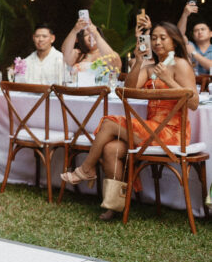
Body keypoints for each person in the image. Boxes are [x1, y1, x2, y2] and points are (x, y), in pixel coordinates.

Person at [59, 19, 198, 221]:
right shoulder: (151, 66)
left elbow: (193, 103)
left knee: (108, 122)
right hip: (150, 130)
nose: (157, 42)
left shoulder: (181, 64)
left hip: (172, 132)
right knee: (110, 149)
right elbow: (130, 91)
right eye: (154, 38)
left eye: (162, 38)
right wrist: (139, 61)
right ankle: (115, 206)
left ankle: (86, 169)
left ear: (174, 42)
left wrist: (168, 80)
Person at [176, 0, 212, 75]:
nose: (200, 32)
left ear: (210, 34)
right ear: (193, 36)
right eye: (196, 30)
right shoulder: (190, 45)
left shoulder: (191, 49)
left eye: (203, 29)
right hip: (191, 84)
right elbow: (178, 34)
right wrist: (185, 14)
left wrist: (193, 53)